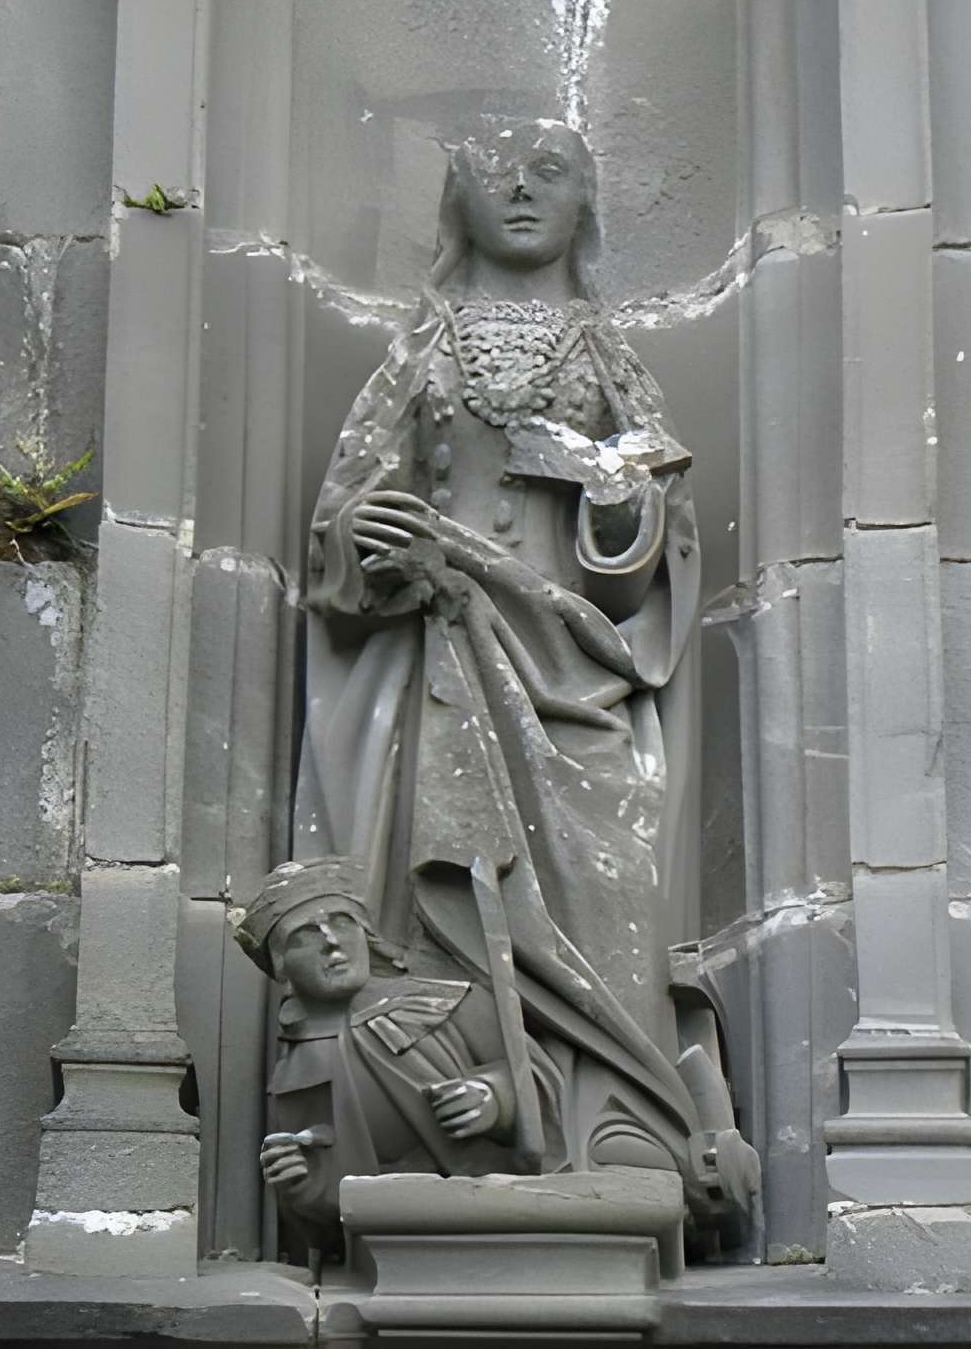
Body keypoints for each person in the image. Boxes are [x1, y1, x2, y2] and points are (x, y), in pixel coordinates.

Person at [292, 120, 754, 1238]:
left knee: (605, 886)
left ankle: (614, 1121)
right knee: (448, 886)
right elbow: (338, 524)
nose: (517, 190)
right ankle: (465, 1113)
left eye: (547, 171)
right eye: (491, 172)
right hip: (445, 650)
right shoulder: (422, 347)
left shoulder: (603, 354)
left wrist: (615, 507)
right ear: (454, 201)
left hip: (572, 665)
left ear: (583, 202)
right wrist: (374, 535)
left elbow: (661, 531)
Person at [228, 856, 546, 1255]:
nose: (332, 940)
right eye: (306, 933)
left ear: (365, 934)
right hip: (398, 1244)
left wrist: (496, 1098)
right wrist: (305, 1191)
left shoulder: (449, 1002)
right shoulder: (295, 1070)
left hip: (506, 1217)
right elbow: (328, 1224)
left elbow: (549, 1081)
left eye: (343, 922)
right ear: (282, 971)